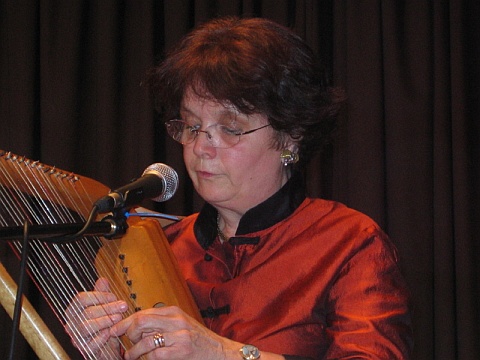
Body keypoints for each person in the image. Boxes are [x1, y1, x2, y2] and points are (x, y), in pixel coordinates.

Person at [66, 17, 413, 359]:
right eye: (192, 125)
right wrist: (107, 349)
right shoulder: (158, 248)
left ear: (291, 136)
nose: (201, 146)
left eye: (230, 128)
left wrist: (222, 353)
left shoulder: (348, 243)